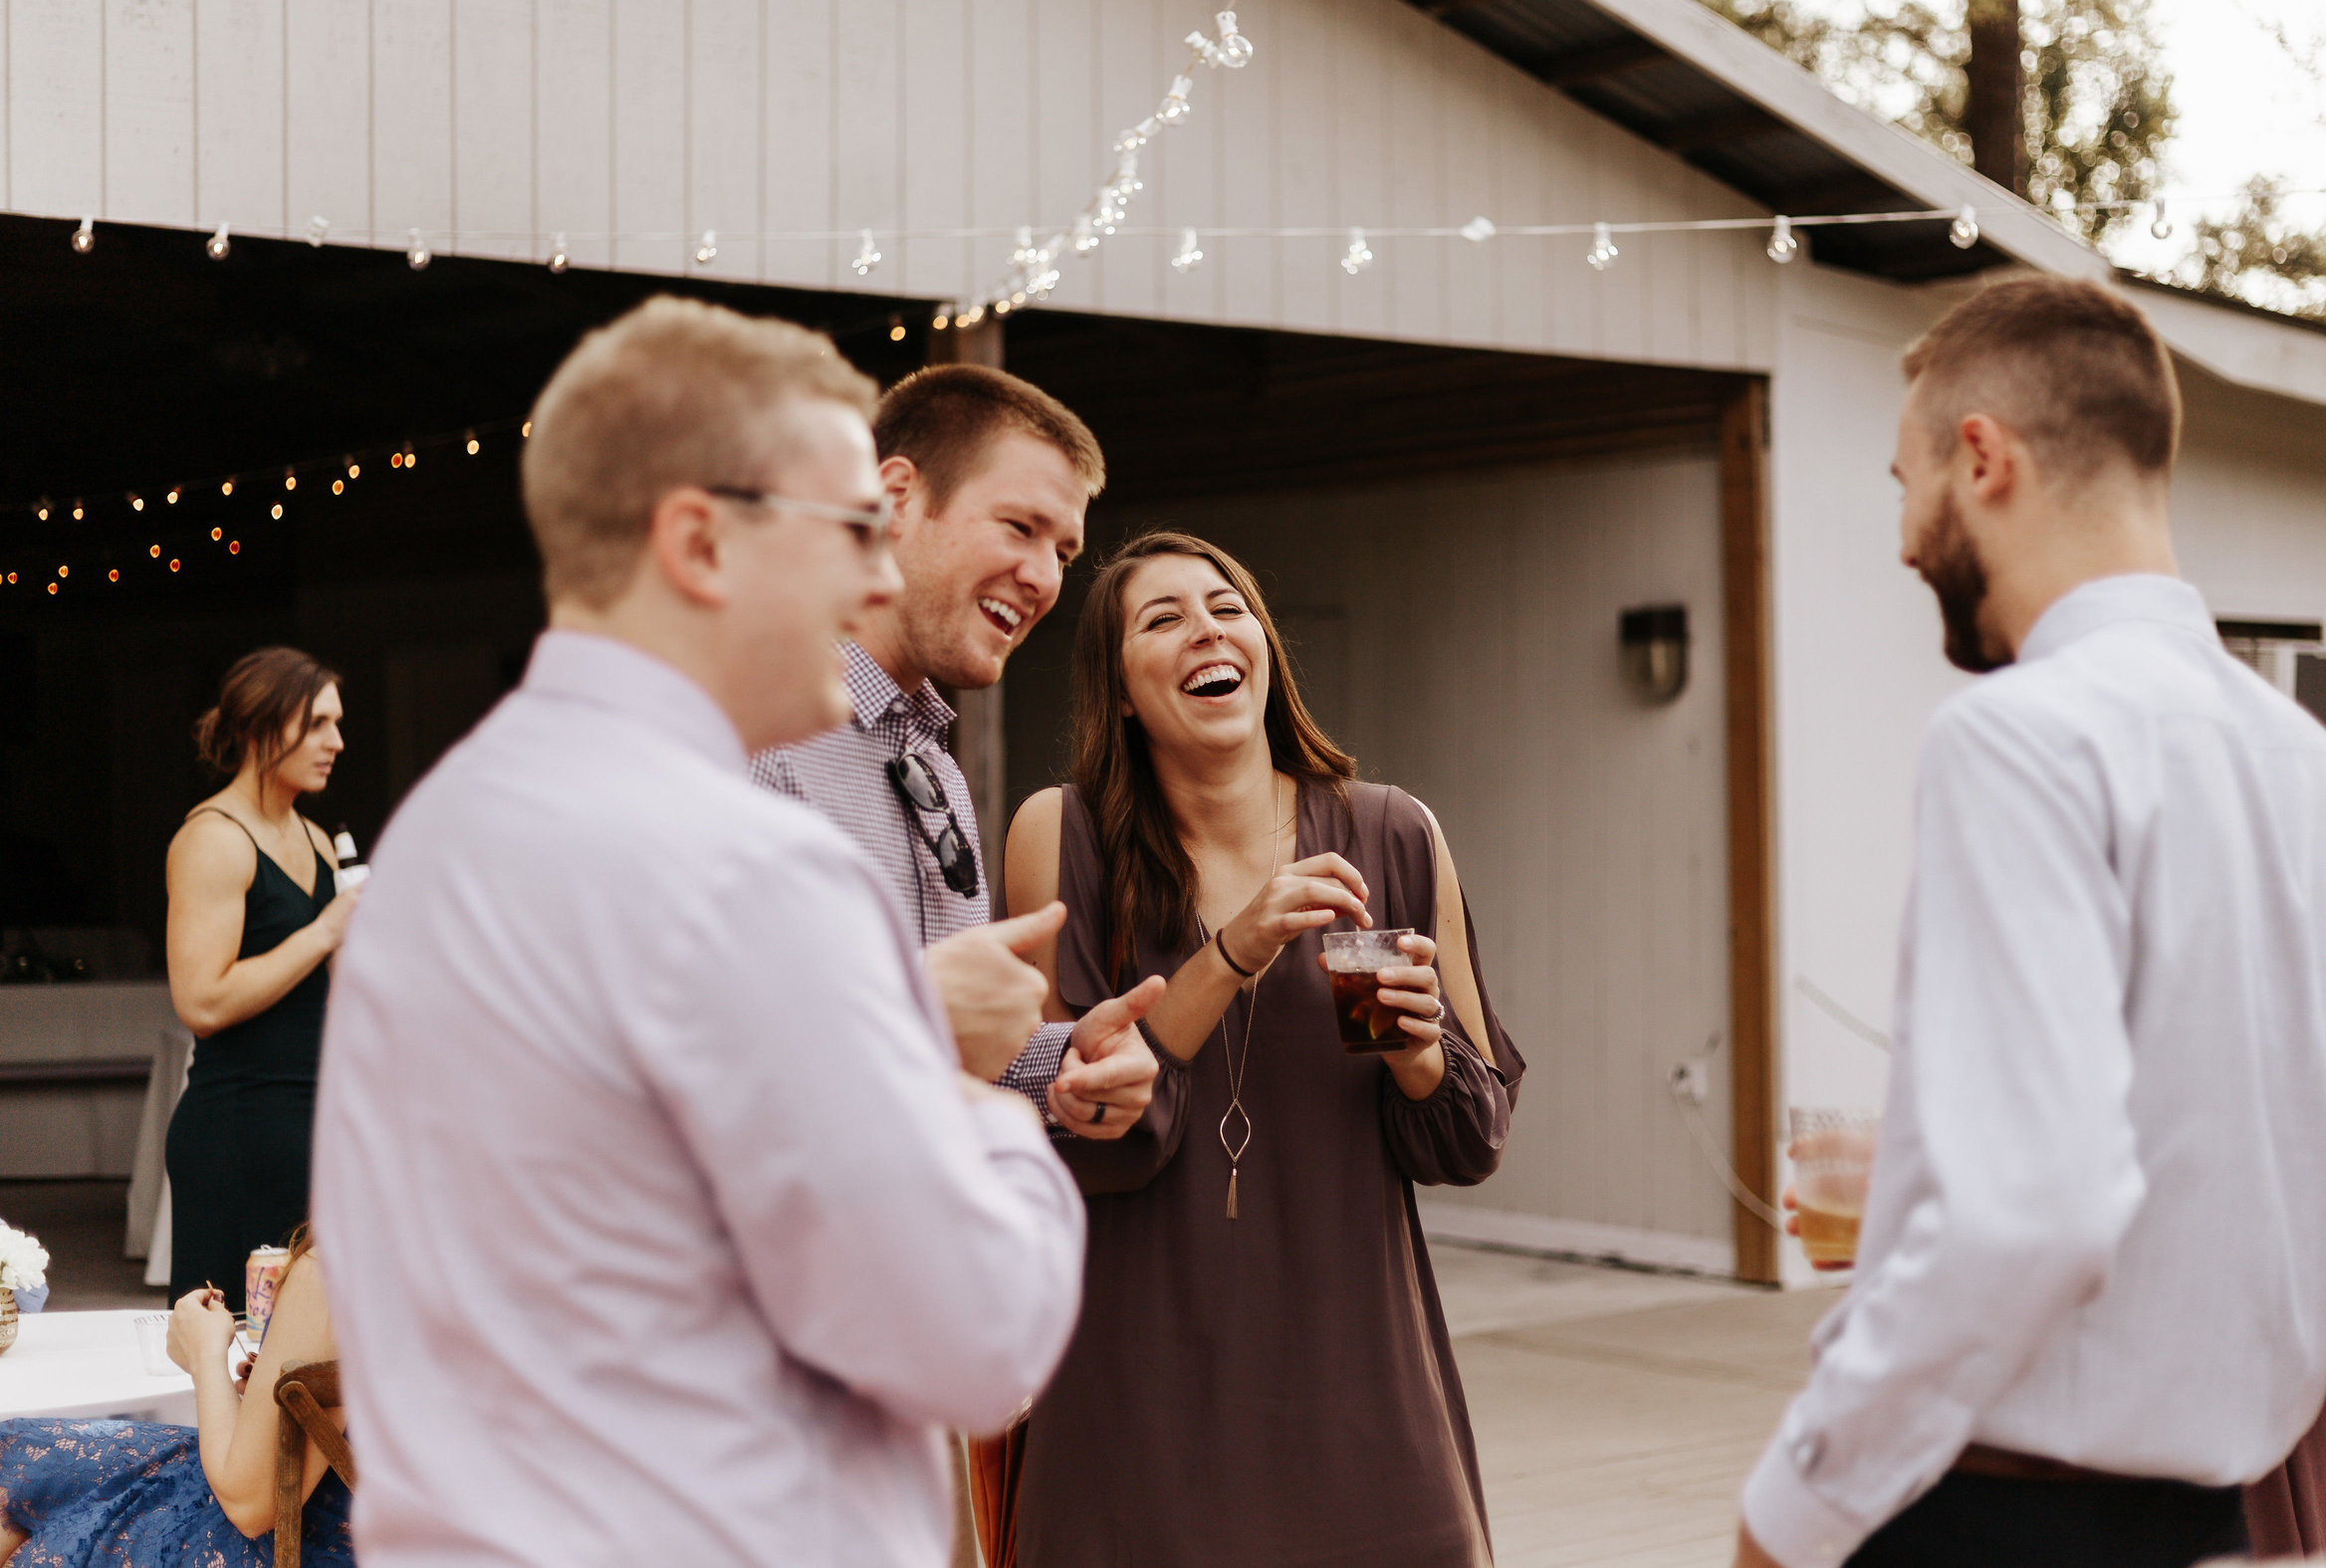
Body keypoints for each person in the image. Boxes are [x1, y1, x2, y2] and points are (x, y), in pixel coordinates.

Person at [313, 296, 1097, 1566]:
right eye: (849, 527)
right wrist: (991, 1120)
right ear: (699, 541)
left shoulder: (433, 838)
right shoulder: (748, 868)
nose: (877, 573)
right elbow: (974, 1340)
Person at [1733, 277, 2326, 1568]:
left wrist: (1794, 1506)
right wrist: (2207, 1328)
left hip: (1993, 1515)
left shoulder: (2020, 737)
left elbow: (2023, 1208)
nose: (1905, 538)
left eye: (1904, 480)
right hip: (2230, 1520)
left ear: (1983, 456)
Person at [1002, 531, 1524, 1567]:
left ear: (1264, 648)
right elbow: (1089, 1132)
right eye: (1162, 618)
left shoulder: (1391, 833)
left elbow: (1469, 1136)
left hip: (1361, 1391)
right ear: (1119, 691)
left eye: (1227, 605)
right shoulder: (1062, 834)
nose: (1206, 627)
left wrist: (1418, 1052)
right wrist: (1236, 947)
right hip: (1133, 1396)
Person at [747, 363, 1159, 1567]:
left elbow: (940, 1047)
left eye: (1065, 549)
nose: (1045, 576)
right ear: (893, 496)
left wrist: (1058, 1063)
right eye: (1019, 525)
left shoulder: (931, 769)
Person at [162, 647, 356, 1305]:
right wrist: (325, 930)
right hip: (238, 1133)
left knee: (308, 1361)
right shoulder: (213, 837)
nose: (337, 741)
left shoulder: (318, 841)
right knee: (229, 1349)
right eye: (319, 723)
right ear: (262, 727)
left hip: (312, 1125)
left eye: (337, 722)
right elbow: (202, 999)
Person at [0, 1227, 352, 1566]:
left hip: (309, 1537)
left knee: (31, 1492)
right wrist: (270, 1396)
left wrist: (204, 1355)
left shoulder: (337, 1266)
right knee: (22, 1453)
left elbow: (251, 1505)